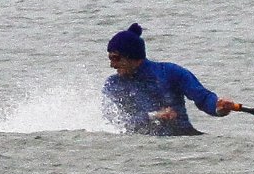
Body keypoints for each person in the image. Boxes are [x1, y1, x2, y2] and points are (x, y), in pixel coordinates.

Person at [101, 23, 242, 136]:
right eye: (110, 58)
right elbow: (114, 122)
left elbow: (204, 99)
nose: (112, 65)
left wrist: (218, 107)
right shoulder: (113, 85)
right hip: (140, 145)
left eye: (115, 58)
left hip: (183, 138)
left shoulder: (171, 72)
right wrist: (153, 116)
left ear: (133, 56)